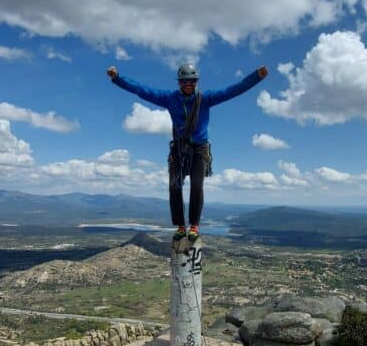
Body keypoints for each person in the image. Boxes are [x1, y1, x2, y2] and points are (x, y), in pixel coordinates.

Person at [107, 63, 268, 242]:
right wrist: (118, 78)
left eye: (192, 81)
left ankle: (194, 226)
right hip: (179, 149)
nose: (188, 84)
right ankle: (181, 226)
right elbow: (142, 90)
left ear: (196, 82)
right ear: (180, 83)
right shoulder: (170, 98)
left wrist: (257, 76)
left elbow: (234, 90)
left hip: (199, 149)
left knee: (197, 186)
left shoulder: (205, 98)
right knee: (174, 187)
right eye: (185, 82)